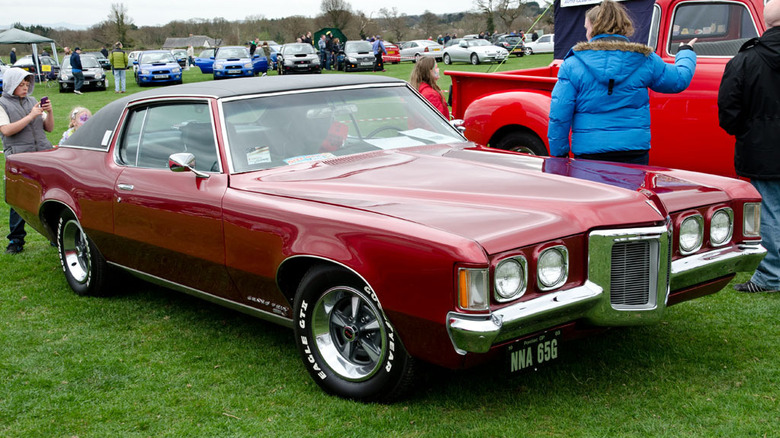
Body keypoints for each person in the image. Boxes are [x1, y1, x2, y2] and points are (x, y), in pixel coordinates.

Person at [547, 0, 697, 164]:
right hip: (633, 149)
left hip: (590, 151)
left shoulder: (572, 64)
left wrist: (559, 155)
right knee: (631, 190)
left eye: (587, 28)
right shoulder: (645, 60)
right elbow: (679, 79)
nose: (586, 33)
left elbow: (559, 114)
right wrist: (686, 52)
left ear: (594, 28)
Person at [718, 0, 780, 293]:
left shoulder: (744, 60)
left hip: (762, 148)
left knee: (769, 211)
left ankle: (770, 276)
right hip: (761, 144)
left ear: (766, 22)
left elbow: (728, 110)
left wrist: (748, 132)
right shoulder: (746, 59)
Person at [0, 68, 54, 254]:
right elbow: (6, 130)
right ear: (10, 85)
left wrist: (50, 112)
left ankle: (54, 236)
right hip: (19, 158)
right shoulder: (2, 104)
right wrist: (31, 116)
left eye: (26, 84)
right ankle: (15, 241)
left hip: (42, 154)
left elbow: (49, 128)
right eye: (20, 84)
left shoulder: (33, 101)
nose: (25, 88)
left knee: (49, 197)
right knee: (20, 200)